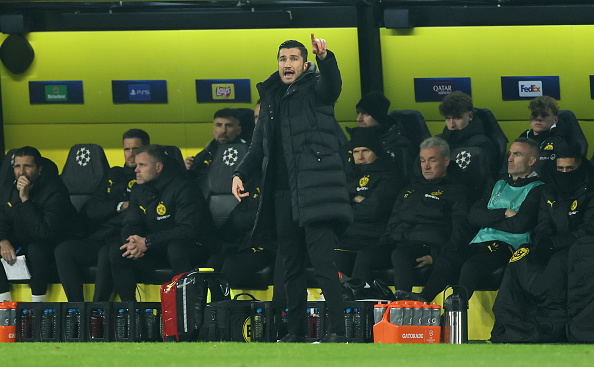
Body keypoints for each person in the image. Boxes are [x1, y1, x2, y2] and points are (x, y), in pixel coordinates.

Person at [232, 34, 352, 343]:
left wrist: (327, 60)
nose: (287, 64)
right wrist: (240, 173)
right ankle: (295, 332)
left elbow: (333, 85)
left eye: (293, 59)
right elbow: (258, 145)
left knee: (324, 264)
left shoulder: (316, 88)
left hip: (317, 191)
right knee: (291, 267)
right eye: (283, 59)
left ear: (305, 63)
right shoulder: (271, 97)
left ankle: (338, 331)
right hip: (283, 194)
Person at [414, 138, 544, 303]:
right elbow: (474, 216)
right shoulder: (498, 184)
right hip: (480, 242)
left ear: (532, 161)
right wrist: (503, 212)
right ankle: (422, 300)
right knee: (448, 258)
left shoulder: (537, 188)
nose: (509, 159)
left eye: (516, 155)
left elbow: (520, 224)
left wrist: (488, 219)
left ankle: (457, 308)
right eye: (510, 154)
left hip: (508, 246)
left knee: (471, 266)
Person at [491, 146, 594, 343]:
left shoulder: (590, 190)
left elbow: (588, 229)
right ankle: (510, 323)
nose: (564, 173)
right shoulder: (549, 188)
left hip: (578, 246)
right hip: (550, 244)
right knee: (520, 257)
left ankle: (551, 324)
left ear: (580, 167)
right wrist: (542, 241)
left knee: (559, 265)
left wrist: (554, 243)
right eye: (560, 169)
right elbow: (544, 222)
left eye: (569, 169)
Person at [349, 136, 473, 296]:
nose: (426, 166)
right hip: (398, 242)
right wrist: (384, 243)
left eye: (432, 160)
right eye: (422, 160)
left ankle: (402, 306)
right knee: (365, 255)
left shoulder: (458, 192)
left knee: (400, 254)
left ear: (446, 160)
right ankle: (358, 305)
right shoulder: (410, 189)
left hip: (426, 246)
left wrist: (436, 255)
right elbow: (393, 223)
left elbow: (460, 233)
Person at [106, 145, 212, 301]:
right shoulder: (139, 189)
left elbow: (188, 230)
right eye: (136, 165)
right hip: (157, 248)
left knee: (176, 248)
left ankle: (184, 311)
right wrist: (133, 243)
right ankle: (131, 313)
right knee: (118, 251)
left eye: (142, 165)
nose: (136, 170)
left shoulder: (184, 187)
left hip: (192, 248)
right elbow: (130, 223)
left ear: (158, 167)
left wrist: (148, 242)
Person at [54, 129, 149, 302]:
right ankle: (76, 309)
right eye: (127, 149)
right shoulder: (114, 174)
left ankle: (97, 310)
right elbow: (92, 209)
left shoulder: (148, 176)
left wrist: (115, 208)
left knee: (109, 252)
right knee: (63, 250)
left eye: (136, 148)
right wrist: (119, 205)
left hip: (124, 239)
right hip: (101, 236)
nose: (131, 154)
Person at [0, 146, 79, 302]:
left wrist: (25, 199)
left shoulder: (55, 190)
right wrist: (3, 240)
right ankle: (4, 307)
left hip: (56, 242)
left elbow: (44, 232)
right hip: (26, 239)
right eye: (17, 166)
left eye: (27, 166)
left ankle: (38, 309)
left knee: (36, 249)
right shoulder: (9, 188)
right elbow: (2, 218)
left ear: (39, 169)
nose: (21, 172)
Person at [335, 127, 403, 276]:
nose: (360, 156)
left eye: (365, 151)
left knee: (362, 258)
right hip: (346, 238)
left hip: (374, 239)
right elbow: (334, 207)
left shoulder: (389, 177)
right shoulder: (346, 177)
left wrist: (348, 202)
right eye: (355, 152)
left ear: (376, 153)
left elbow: (373, 210)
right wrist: (356, 200)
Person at [438, 91, 497, 197]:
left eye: (457, 118)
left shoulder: (482, 144)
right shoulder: (438, 141)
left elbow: (479, 181)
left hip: (465, 196)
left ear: (470, 116)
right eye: (448, 118)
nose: (451, 124)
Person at [354, 91, 416, 178]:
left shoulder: (400, 146)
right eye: (358, 113)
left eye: (365, 113)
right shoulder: (355, 141)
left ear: (378, 115)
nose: (358, 119)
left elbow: (404, 178)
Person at [184, 108, 245, 178]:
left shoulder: (247, 152)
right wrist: (187, 168)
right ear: (213, 129)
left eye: (228, 125)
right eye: (219, 125)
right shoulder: (205, 154)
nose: (223, 131)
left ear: (238, 130)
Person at [519, 95, 568, 180]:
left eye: (544, 115)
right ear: (530, 118)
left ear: (555, 120)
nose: (538, 119)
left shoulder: (559, 143)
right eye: (534, 115)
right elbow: (505, 170)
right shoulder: (522, 140)